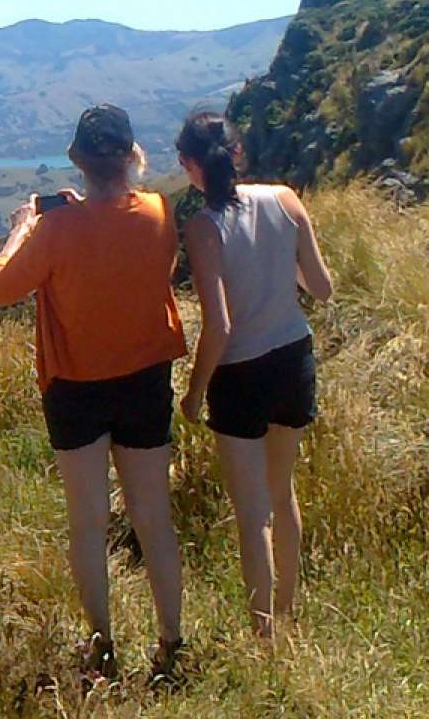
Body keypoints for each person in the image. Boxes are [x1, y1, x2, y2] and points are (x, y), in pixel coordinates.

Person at [0, 104, 190, 687]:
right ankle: (172, 643)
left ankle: (102, 649)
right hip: (145, 376)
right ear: (132, 157)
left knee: (88, 521)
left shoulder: (55, 228)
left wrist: (23, 227)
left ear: (76, 160)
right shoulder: (157, 209)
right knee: (154, 517)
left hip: (75, 386)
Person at [173, 112, 334, 639]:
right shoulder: (286, 200)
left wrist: (194, 394)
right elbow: (323, 287)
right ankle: (289, 616)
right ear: (237, 154)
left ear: (190, 166)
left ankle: (262, 637)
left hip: (240, 372)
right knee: (282, 493)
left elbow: (218, 325)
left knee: (252, 514)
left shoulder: (202, 227)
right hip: (293, 355)